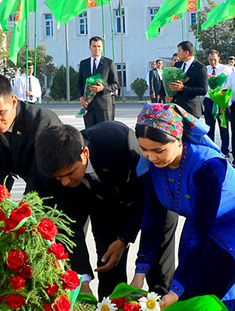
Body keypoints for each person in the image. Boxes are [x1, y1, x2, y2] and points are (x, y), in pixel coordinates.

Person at [129, 103, 235, 311]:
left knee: (222, 292)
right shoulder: (150, 166)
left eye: (158, 150)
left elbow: (200, 235)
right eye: (144, 149)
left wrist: (176, 291)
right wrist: (139, 272)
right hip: (202, 218)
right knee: (191, 286)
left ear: (178, 140)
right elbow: (153, 219)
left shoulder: (206, 167)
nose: (151, 157)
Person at [35, 122, 176, 297]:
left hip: (147, 198)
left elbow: (143, 197)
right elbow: (68, 226)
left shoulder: (117, 142)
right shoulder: (48, 171)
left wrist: (124, 239)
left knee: (159, 269)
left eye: (70, 173)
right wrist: (81, 279)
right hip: (101, 206)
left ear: (84, 153)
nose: (64, 182)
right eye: (59, 178)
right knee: (108, 265)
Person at [0, 73, 63, 193]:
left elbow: (40, 175)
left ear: (14, 101)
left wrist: (25, 206)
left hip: (60, 185)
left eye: (0, 113)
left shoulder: (42, 121)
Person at [77, 36, 119, 126]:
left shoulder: (109, 63)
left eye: (99, 46)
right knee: (89, 134)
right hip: (88, 106)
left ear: (102, 47)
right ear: (90, 47)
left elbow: (115, 84)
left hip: (104, 106)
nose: (97, 49)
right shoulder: (84, 64)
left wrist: (103, 88)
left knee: (105, 134)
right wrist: (81, 97)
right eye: (94, 46)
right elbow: (80, 83)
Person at [168, 40, 207, 118]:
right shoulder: (178, 65)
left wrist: (183, 88)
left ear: (186, 53)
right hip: (176, 108)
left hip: (191, 109)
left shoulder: (200, 67)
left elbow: (203, 90)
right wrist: (169, 92)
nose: (178, 53)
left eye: (179, 51)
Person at [202, 49, 229, 153]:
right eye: (210, 60)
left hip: (221, 100)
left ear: (219, 58)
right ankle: (211, 149)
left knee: (223, 126)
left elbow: (228, 84)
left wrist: (224, 100)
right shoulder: (205, 69)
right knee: (209, 126)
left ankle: (225, 150)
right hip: (209, 100)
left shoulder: (225, 69)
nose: (212, 62)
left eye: (214, 60)